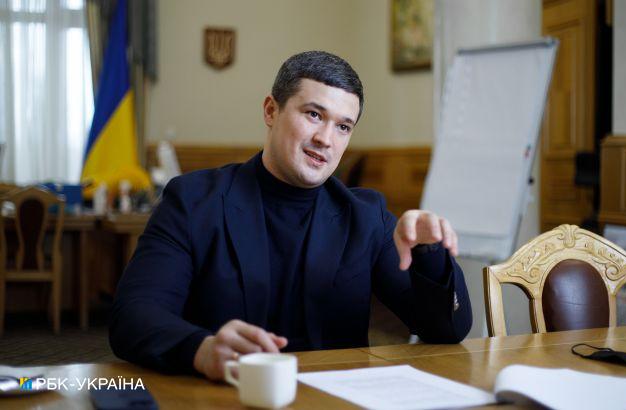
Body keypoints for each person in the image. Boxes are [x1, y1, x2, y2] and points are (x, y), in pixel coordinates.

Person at [109, 51, 472, 381]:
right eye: (314, 115)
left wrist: (429, 253)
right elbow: (133, 316)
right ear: (271, 111)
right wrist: (200, 349)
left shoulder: (366, 215)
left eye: (343, 126)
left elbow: (448, 331)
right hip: (225, 394)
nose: (326, 139)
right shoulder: (192, 200)